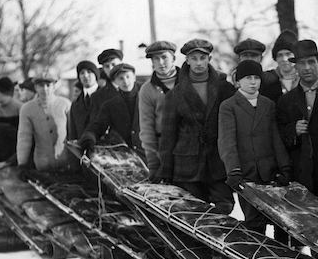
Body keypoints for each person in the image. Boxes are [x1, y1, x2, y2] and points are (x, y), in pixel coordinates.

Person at [157, 39, 236, 214]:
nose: (199, 62)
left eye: (202, 57)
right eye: (194, 58)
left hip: (218, 162)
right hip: (187, 165)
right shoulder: (175, 95)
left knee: (226, 206)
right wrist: (166, 172)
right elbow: (168, 136)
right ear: (187, 61)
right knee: (193, 214)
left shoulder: (225, 88)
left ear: (209, 59)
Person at [218, 60, 292, 233]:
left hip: (269, 173)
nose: (253, 82)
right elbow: (227, 141)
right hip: (246, 174)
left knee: (279, 221)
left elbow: (275, 138)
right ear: (238, 81)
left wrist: (285, 166)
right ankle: (257, 258)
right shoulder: (228, 106)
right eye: (248, 78)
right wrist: (234, 170)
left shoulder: (268, 104)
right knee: (254, 223)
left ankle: (280, 258)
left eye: (256, 78)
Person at [276, 39, 318, 206]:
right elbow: (279, 135)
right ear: (296, 67)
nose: (307, 67)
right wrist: (293, 131)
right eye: (302, 63)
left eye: (311, 62)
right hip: (301, 171)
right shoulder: (286, 101)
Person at [79, 63, 144, 158]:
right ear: (115, 81)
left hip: (149, 154)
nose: (125, 81)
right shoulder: (110, 105)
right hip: (126, 158)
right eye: (120, 78)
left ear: (134, 77)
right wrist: (89, 138)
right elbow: (97, 126)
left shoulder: (147, 98)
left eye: (128, 76)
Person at [138, 40, 180, 178]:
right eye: (156, 58)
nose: (161, 63)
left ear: (173, 58)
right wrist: (153, 163)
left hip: (191, 146)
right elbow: (146, 127)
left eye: (164, 57)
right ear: (152, 62)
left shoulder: (187, 81)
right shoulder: (147, 90)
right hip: (164, 148)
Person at [16, 74, 72, 172]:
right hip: (42, 163)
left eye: (48, 85)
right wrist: (22, 164)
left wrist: (75, 160)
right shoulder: (27, 109)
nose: (45, 89)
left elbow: (73, 133)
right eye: (41, 86)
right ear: (36, 87)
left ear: (54, 86)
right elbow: (24, 138)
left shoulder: (65, 104)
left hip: (65, 161)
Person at [259, 30, 299, 102]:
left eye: (288, 54)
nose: (284, 59)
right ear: (275, 58)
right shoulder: (267, 81)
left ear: (296, 56)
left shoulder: (304, 79)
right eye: (280, 55)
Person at [88, 48, 123, 122]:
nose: (111, 68)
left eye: (114, 64)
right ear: (103, 69)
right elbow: (95, 125)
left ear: (121, 64)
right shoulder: (97, 97)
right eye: (107, 66)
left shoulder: (139, 89)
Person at [67, 61, 100, 141]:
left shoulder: (107, 98)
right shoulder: (75, 104)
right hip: (82, 150)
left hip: (104, 149)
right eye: (82, 73)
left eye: (89, 72)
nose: (85, 76)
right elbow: (73, 135)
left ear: (96, 75)